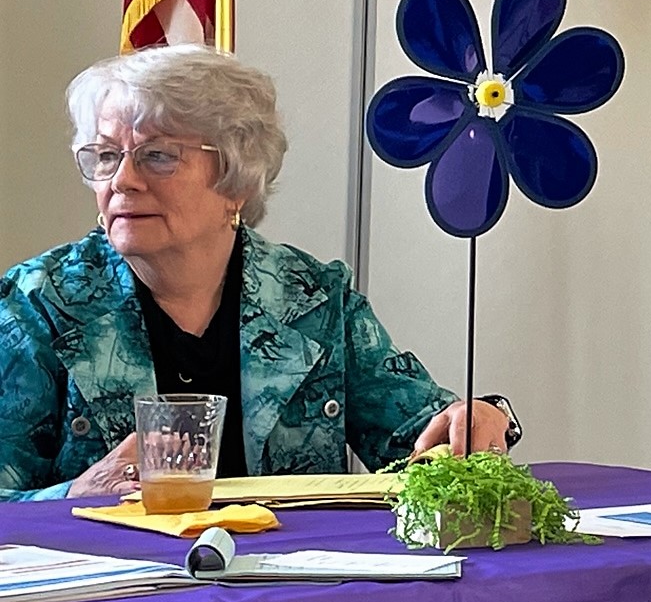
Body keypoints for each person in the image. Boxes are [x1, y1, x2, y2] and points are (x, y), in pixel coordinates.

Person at [0, 44, 515, 501]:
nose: (122, 180)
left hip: (292, 574)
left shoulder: (315, 299)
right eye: (106, 156)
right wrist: (72, 497)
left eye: (157, 156)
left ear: (236, 178)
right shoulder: (38, 305)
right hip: (117, 577)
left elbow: (420, 440)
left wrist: (476, 418)